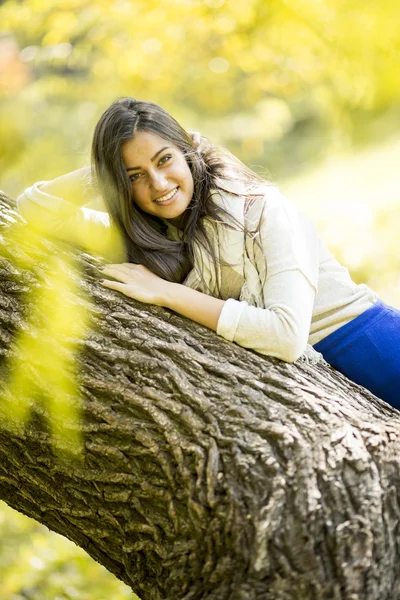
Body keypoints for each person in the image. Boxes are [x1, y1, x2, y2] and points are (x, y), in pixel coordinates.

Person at [17, 97, 400, 408]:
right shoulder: (146, 237)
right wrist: (105, 170)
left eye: (164, 159)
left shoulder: (260, 208)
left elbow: (286, 335)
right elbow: (35, 209)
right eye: (134, 176)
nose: (159, 183)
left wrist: (168, 292)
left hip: (372, 347)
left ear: (188, 152)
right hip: (328, 387)